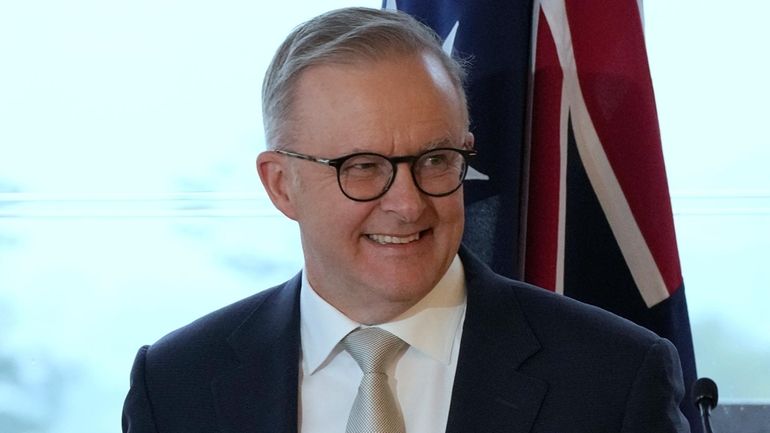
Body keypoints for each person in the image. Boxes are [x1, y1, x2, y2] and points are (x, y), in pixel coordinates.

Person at [122, 7, 690, 433]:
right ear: (280, 184)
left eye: (435, 161)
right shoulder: (177, 385)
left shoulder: (613, 377)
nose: (408, 203)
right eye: (363, 167)